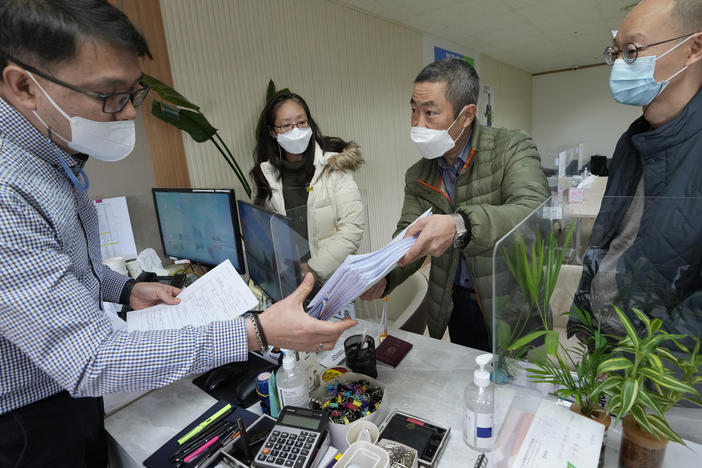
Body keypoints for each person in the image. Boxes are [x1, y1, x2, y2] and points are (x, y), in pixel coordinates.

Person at [0, 2, 355, 466]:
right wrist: (256, 331)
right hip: (32, 420)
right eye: (110, 96)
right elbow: (89, 360)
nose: (129, 114)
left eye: (134, 94)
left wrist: (125, 288)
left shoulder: (50, 161)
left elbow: (68, 267)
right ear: (25, 86)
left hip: (65, 397)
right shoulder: (8, 190)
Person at [362, 58, 550, 350]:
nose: (418, 124)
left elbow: (533, 213)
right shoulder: (418, 174)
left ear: (466, 115)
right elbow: (409, 234)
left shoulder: (511, 148)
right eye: (414, 111)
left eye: (430, 113)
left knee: (516, 387)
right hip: (456, 304)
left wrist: (460, 224)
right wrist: (385, 276)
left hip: (511, 304)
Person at [570, 0, 702, 347]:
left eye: (631, 51)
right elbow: (612, 241)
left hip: (659, 368)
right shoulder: (632, 141)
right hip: (603, 336)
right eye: (615, 54)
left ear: (693, 48)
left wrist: (640, 362)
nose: (618, 65)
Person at [251, 91, 365, 284]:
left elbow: (352, 228)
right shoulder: (264, 175)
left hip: (330, 279)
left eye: (301, 122)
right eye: (286, 125)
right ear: (272, 131)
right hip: (287, 281)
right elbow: (262, 231)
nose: (295, 130)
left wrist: (313, 269)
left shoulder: (334, 167)